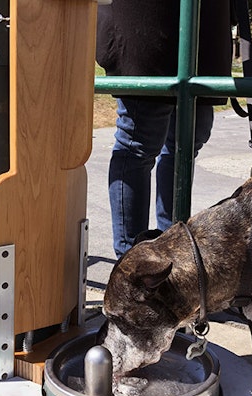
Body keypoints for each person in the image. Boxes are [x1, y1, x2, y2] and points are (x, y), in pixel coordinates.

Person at [96, 2, 234, 258]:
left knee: (190, 139)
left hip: (207, 21)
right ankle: (132, 263)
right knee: (138, 141)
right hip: (146, 19)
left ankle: (172, 251)